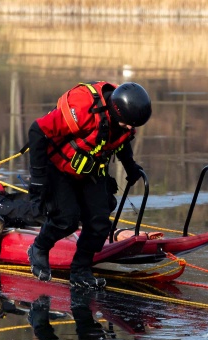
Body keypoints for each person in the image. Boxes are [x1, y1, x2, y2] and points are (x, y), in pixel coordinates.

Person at [25, 81, 152, 289]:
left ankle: (81, 270)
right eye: (128, 123)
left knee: (99, 222)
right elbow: (37, 131)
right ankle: (39, 248)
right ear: (116, 111)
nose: (131, 128)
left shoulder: (125, 119)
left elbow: (121, 142)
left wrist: (130, 166)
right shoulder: (83, 111)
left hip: (90, 171)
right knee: (67, 219)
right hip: (58, 168)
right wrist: (37, 179)